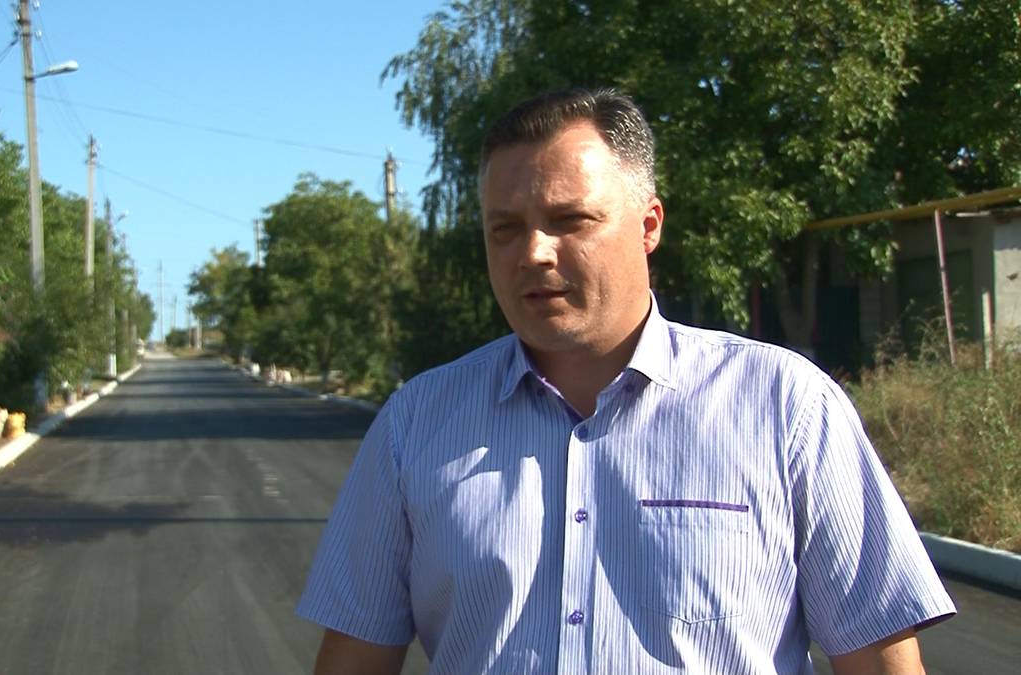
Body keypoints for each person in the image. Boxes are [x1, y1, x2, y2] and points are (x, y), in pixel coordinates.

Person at [297, 88, 955, 674]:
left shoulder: (786, 408)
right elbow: (354, 660)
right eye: (506, 229)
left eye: (570, 220)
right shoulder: (416, 423)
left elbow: (880, 661)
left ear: (648, 226)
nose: (533, 252)